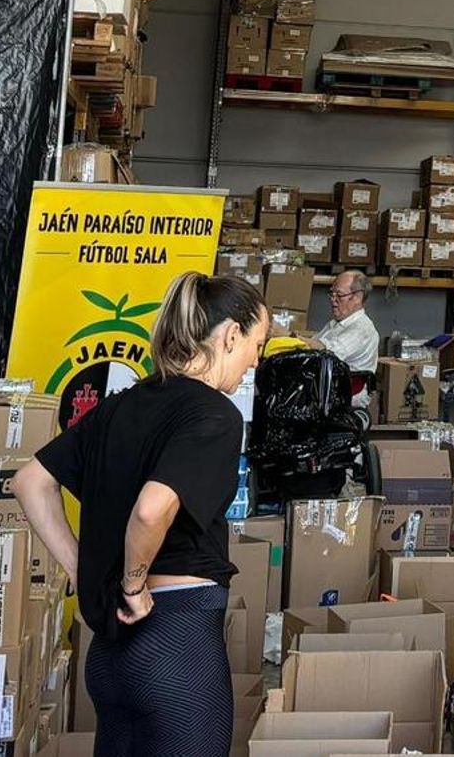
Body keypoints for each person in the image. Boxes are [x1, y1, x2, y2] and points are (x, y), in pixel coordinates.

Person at [16, 272, 268, 756]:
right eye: (257, 344)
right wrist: (132, 585)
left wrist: (83, 570)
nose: (256, 360)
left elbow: (30, 482)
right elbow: (152, 510)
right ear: (231, 335)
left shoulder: (119, 407)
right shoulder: (215, 414)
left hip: (110, 658)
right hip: (177, 642)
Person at [314, 269, 380, 408]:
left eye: (339, 295)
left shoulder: (361, 329)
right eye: (331, 294)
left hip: (345, 393)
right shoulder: (335, 324)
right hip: (327, 386)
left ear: (357, 298)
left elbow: (327, 352)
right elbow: (313, 346)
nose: (333, 299)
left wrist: (290, 335)